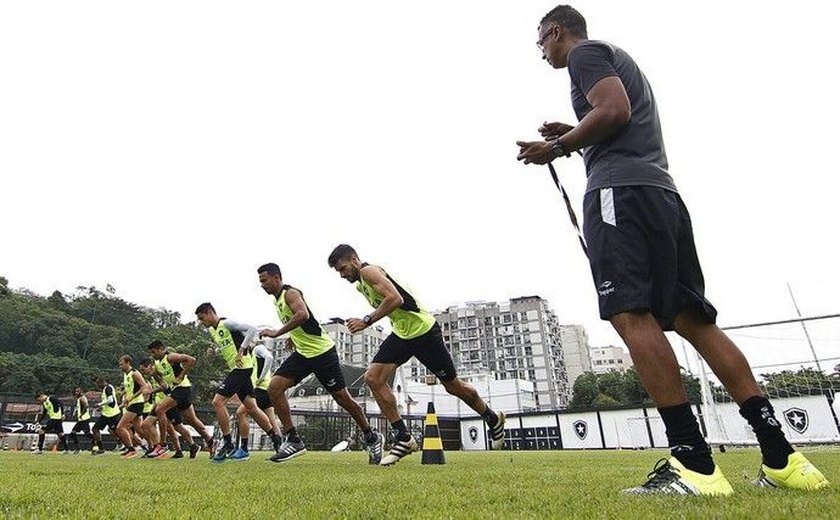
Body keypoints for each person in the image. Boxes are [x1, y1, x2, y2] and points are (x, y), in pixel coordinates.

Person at [515, 4, 829, 495]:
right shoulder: (617, 57)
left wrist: (556, 148)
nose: (541, 53)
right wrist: (574, 137)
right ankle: (783, 459)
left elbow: (614, 111)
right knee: (693, 320)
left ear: (556, 32)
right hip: (661, 195)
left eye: (540, 43)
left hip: (621, 194)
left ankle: (693, 462)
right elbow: (617, 118)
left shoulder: (585, 54)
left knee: (630, 313)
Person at [327, 246, 506, 465]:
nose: (342, 275)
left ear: (355, 260)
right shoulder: (361, 285)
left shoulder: (368, 271)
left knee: (452, 386)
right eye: (338, 272)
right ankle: (404, 438)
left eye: (343, 269)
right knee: (373, 378)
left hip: (423, 332)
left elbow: (395, 299)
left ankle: (492, 418)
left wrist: (366, 321)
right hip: (403, 334)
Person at [257, 262, 384, 464]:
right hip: (304, 353)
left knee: (343, 399)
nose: (262, 285)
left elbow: (303, 314)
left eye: (264, 280)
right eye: (260, 282)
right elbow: (303, 321)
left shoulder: (290, 293)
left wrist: (277, 333)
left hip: (323, 353)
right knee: (274, 388)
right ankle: (293, 440)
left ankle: (372, 437)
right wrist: (294, 336)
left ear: (276, 278)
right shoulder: (278, 300)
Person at [195, 303, 285, 462]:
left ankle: (228, 443)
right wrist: (214, 351)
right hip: (238, 369)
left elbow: (252, 329)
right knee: (252, 407)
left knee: (218, 402)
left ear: (210, 313)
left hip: (243, 368)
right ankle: (277, 439)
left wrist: (242, 350)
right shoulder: (212, 330)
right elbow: (227, 344)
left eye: (202, 318)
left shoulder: (227, 323)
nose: (202, 322)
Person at [146, 340, 214, 459]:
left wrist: (180, 376)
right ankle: (211, 441)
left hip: (182, 388)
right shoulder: (157, 363)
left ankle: (162, 445)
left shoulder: (170, 357)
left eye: (154, 352)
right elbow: (163, 385)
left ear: (161, 349)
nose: (153, 355)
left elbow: (191, 360)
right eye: (151, 353)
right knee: (192, 420)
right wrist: (153, 374)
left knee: (160, 409)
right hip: (176, 391)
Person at [232, 340, 284, 461]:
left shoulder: (258, 348)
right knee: (272, 420)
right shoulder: (252, 354)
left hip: (260, 389)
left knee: (241, 413)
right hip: (267, 389)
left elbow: (270, 357)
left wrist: (260, 378)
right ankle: (280, 450)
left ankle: (244, 449)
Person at [114, 354, 151, 459]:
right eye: (119, 365)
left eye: (121, 364)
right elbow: (130, 389)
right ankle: (151, 447)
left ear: (128, 363)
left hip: (137, 403)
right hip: (131, 403)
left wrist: (131, 397)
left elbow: (144, 386)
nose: (120, 367)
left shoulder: (135, 373)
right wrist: (125, 397)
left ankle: (131, 449)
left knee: (120, 427)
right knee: (139, 429)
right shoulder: (126, 375)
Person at [91, 377, 122, 455]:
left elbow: (111, 400)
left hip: (113, 414)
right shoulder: (106, 389)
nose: (97, 386)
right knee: (95, 429)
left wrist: (99, 404)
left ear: (102, 382)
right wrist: (102, 407)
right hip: (106, 414)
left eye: (98, 384)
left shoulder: (108, 388)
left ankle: (126, 444)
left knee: (116, 430)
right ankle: (101, 448)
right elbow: (108, 402)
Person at [67, 387, 93, 454]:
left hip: (84, 419)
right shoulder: (79, 399)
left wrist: (82, 414)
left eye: (78, 391)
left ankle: (78, 449)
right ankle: (96, 445)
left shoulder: (82, 398)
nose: (76, 393)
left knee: (73, 433)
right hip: (83, 419)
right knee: (87, 434)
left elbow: (86, 406)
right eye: (75, 391)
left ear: (81, 392)